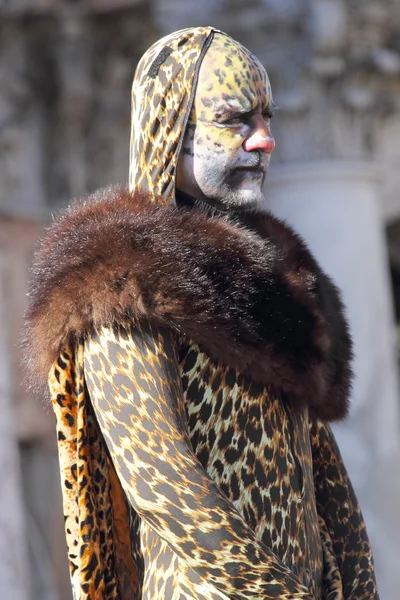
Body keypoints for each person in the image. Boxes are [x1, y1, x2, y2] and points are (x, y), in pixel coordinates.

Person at [25, 26, 379, 600]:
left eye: (267, 118)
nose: (263, 140)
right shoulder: (121, 282)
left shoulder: (274, 285)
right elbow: (164, 487)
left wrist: (355, 586)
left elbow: (325, 480)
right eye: (235, 119)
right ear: (170, 127)